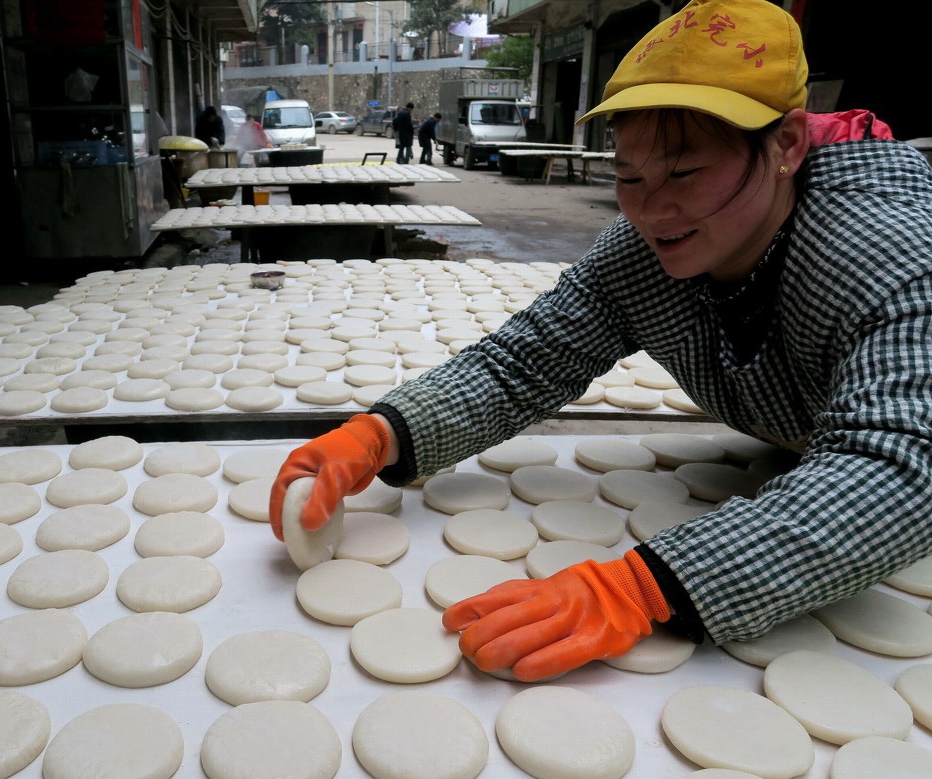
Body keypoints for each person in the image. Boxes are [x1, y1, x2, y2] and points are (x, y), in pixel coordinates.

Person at [269, 0, 932, 683]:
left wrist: (650, 588)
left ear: (787, 144)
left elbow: (904, 467)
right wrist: (383, 433)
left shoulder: (890, 255)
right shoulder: (645, 254)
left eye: (682, 173)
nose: (650, 209)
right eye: (628, 177)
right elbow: (524, 364)